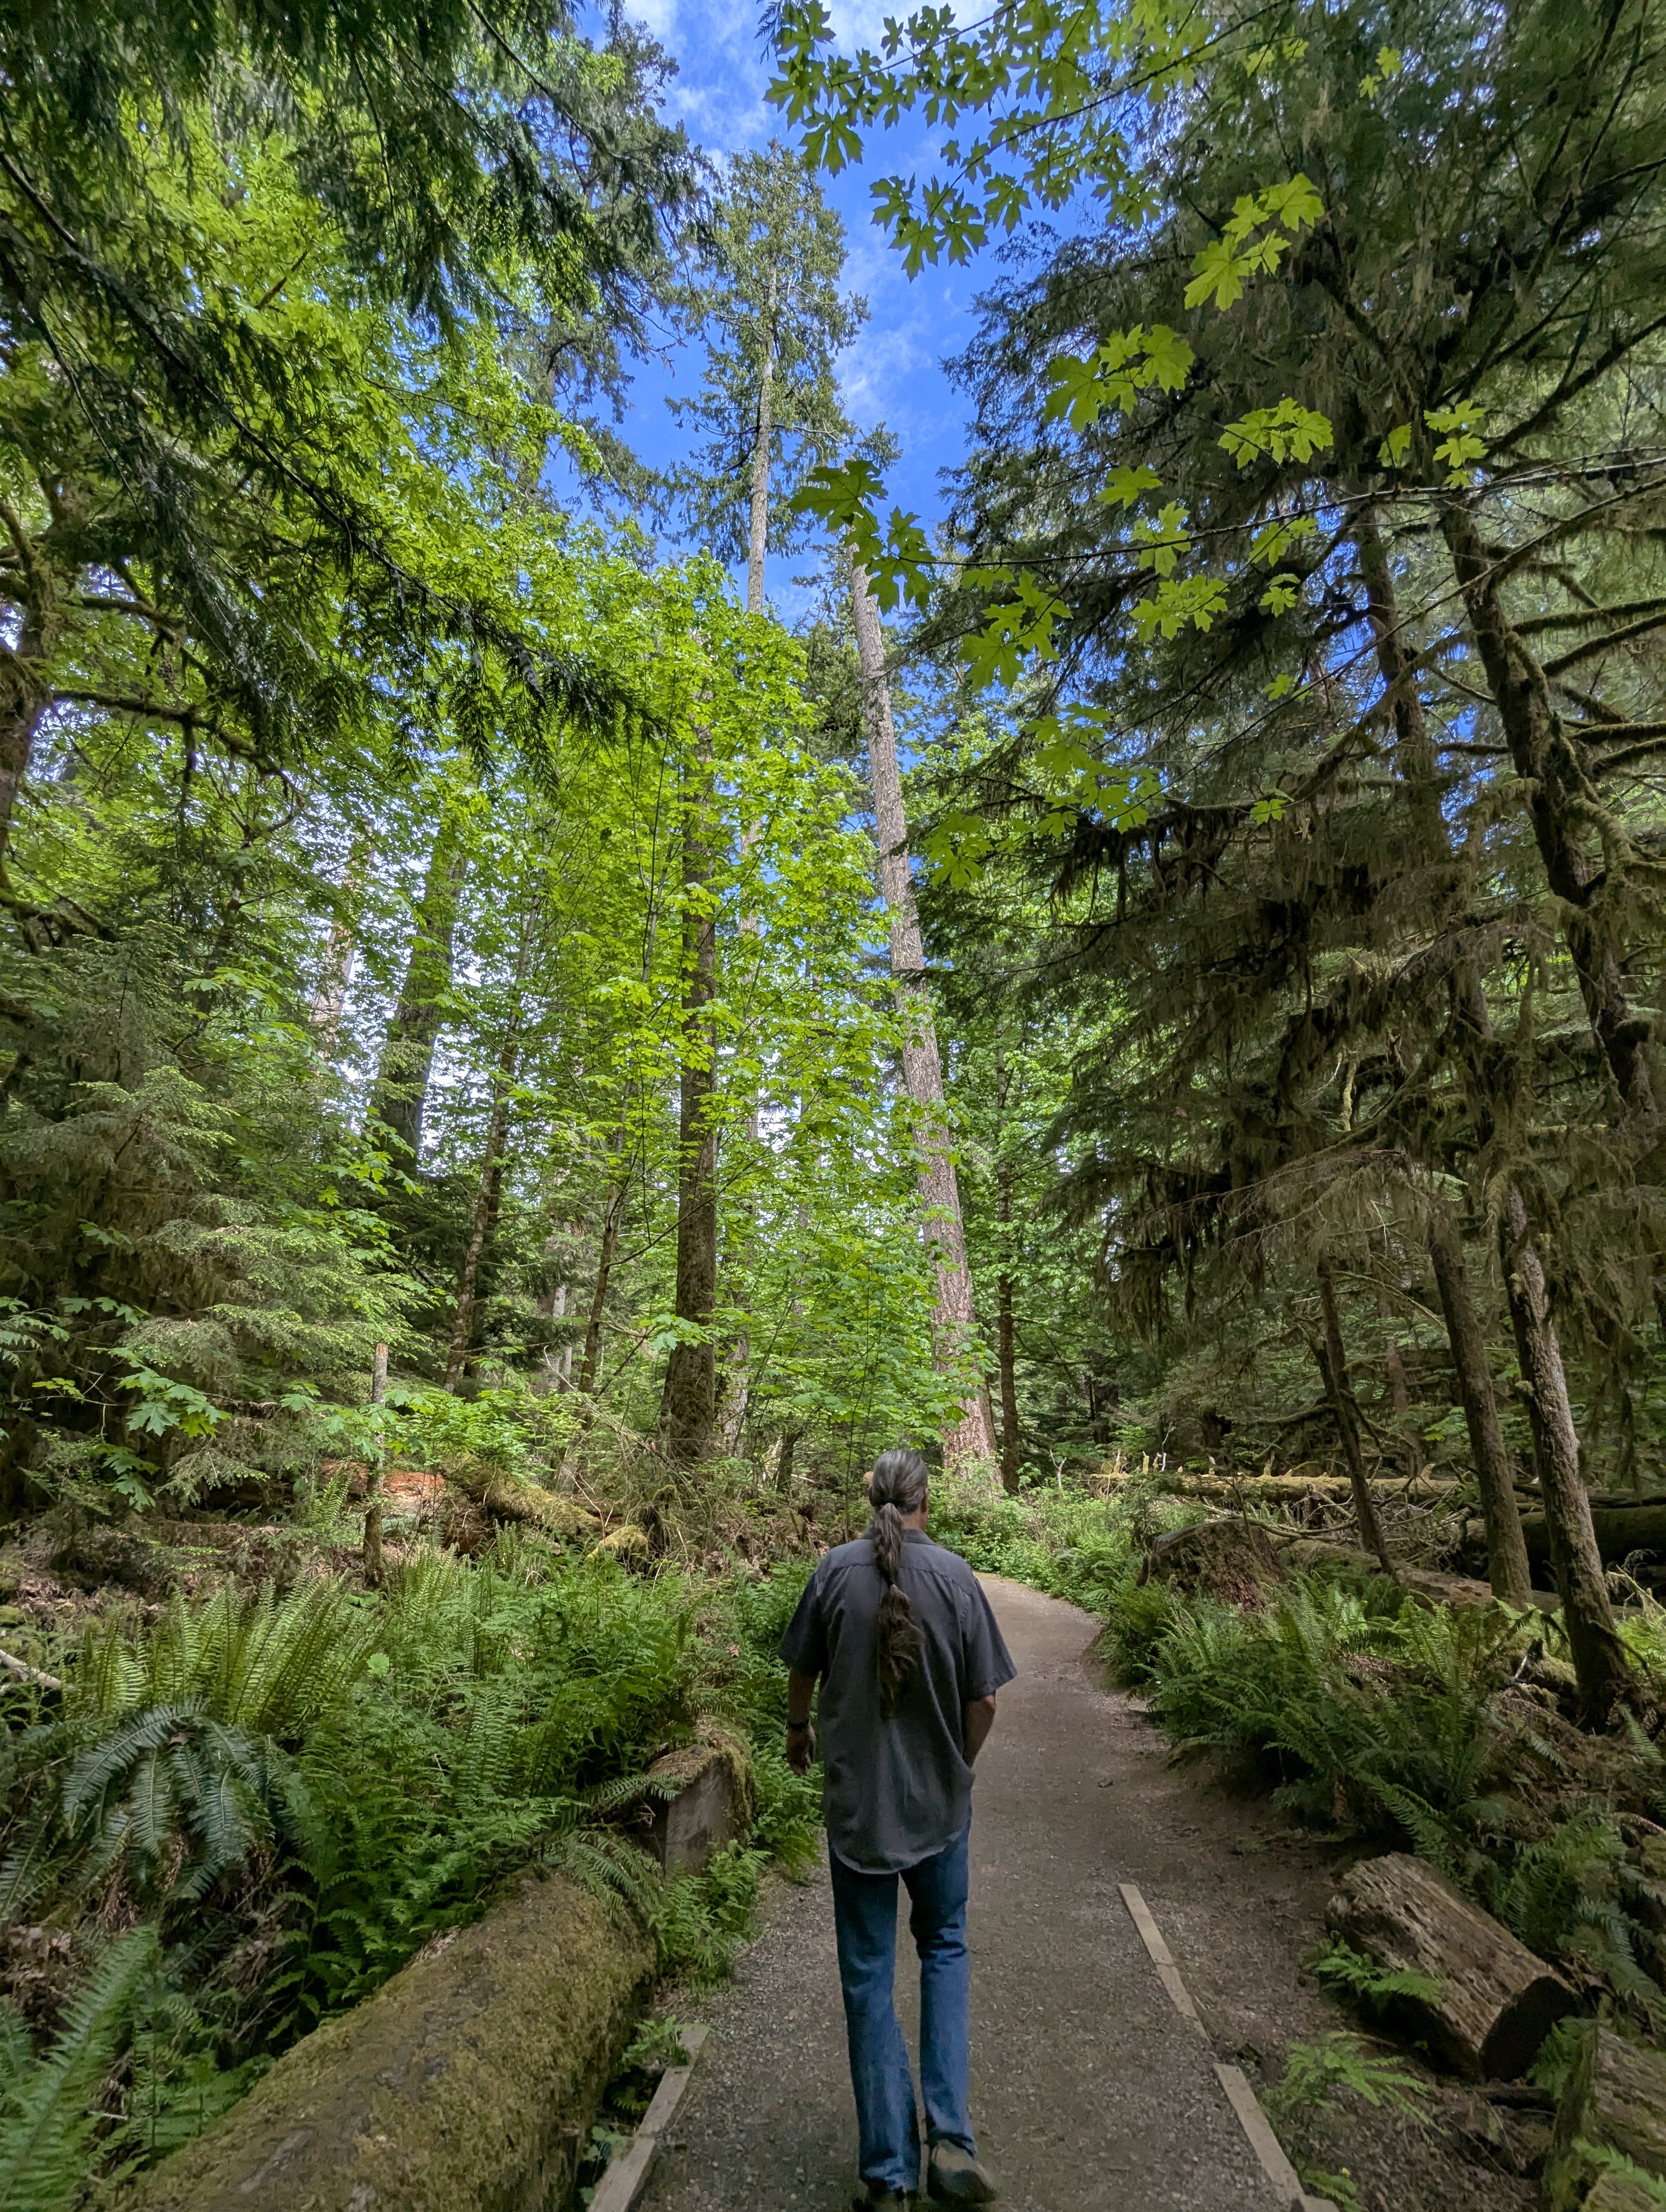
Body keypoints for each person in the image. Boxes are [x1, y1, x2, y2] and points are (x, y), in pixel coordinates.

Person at [779, 1447, 1016, 2209]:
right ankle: (950, 2139)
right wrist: (957, 1766)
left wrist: (797, 1730)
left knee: (869, 1975)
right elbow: (984, 1704)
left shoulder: (832, 1573)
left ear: (871, 1496)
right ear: (926, 1503)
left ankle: (887, 2175)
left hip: (858, 1814)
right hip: (940, 1813)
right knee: (944, 1949)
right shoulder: (955, 1577)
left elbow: (802, 1670)